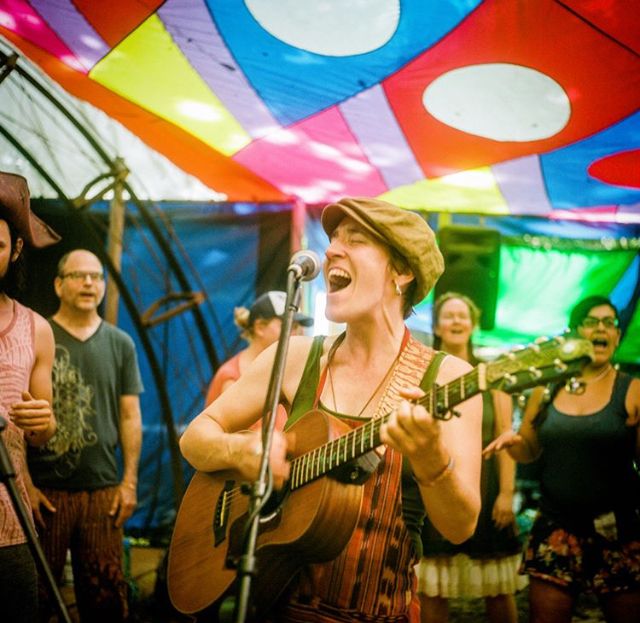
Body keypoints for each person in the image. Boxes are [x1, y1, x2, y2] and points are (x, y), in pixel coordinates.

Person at [179, 197, 483, 622]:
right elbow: (195, 437)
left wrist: (432, 461)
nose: (331, 252)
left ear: (402, 271)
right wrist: (242, 452)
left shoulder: (449, 378)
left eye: (354, 241)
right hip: (275, 608)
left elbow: (460, 528)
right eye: (333, 240)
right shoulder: (296, 357)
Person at [484, 295, 640, 623]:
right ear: (575, 333)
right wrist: (513, 442)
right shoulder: (548, 389)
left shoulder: (633, 389)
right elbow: (529, 450)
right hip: (556, 526)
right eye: (591, 322)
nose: (601, 328)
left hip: (617, 530)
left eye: (609, 323)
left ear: (617, 335)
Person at [27, 249, 144, 622]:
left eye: (96, 276)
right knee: (37, 597)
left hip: (103, 491)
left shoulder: (121, 343)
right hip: (45, 493)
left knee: (106, 598)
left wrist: (129, 482)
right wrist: (25, 483)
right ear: (58, 284)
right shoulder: (36, 335)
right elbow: (13, 417)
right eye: (79, 275)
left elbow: (130, 415)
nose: (89, 283)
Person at [416, 292, 525, 623]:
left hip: (487, 489)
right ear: (437, 326)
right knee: (433, 587)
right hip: (435, 490)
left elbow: (506, 436)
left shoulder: (493, 376)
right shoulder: (423, 374)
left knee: (498, 588)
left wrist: (506, 493)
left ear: (473, 325)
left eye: (462, 315)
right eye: (448, 315)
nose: (456, 321)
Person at [0, 171, 59, 623]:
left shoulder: (36, 328)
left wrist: (44, 422)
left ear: (16, 250)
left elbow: (44, 433)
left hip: (10, 524)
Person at [205, 290, 313, 404]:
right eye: (287, 325)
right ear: (260, 328)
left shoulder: (285, 371)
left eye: (295, 327)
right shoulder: (232, 380)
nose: (294, 334)